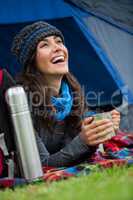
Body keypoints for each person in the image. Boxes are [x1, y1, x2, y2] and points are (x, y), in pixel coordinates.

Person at [11, 21, 120, 167]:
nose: (57, 48)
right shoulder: (21, 101)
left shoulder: (71, 92)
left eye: (59, 42)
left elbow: (74, 149)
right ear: (32, 61)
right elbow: (41, 165)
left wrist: (101, 128)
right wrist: (83, 141)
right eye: (45, 45)